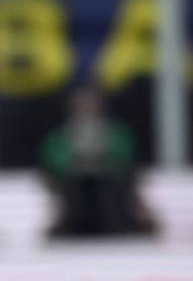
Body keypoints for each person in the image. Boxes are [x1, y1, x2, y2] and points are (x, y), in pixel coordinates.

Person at [40, 86, 154, 238]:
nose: (87, 111)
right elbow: (54, 165)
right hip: (74, 190)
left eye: (91, 106)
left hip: (111, 190)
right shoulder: (58, 138)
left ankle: (117, 224)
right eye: (82, 106)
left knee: (111, 189)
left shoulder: (118, 134)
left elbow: (126, 161)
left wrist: (102, 161)